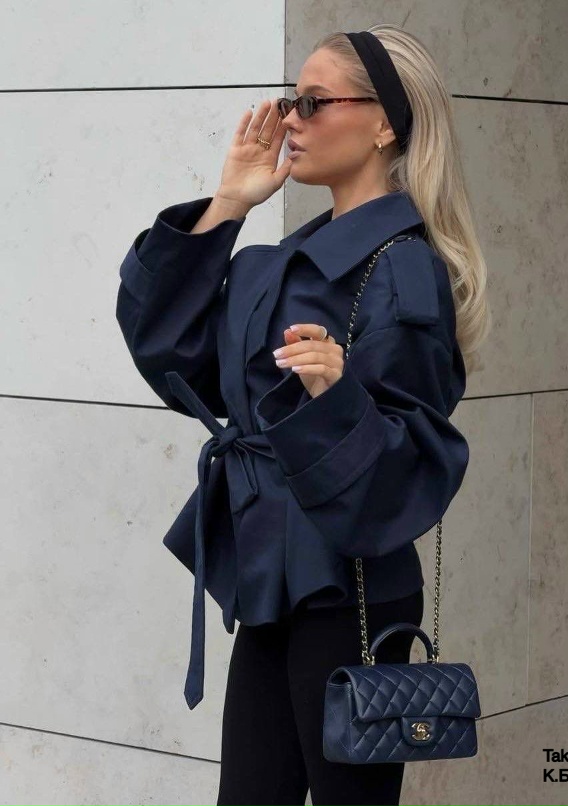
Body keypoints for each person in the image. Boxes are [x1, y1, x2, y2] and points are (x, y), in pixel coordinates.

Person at [116, 23, 490, 806]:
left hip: (349, 587)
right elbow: (176, 361)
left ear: (383, 124)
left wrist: (337, 395)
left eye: (314, 102)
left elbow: (410, 469)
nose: (290, 119)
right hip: (271, 575)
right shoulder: (284, 260)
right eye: (292, 100)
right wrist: (229, 203)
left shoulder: (402, 270)